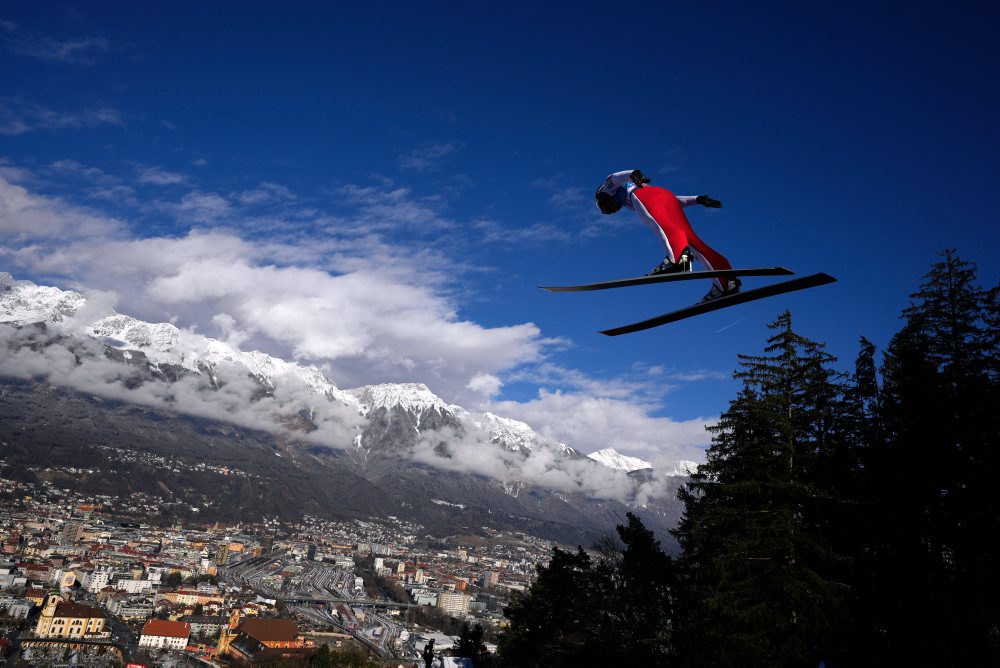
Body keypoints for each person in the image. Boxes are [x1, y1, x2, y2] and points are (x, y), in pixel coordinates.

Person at [595, 169, 740, 301]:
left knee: (660, 225)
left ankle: (678, 260)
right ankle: (726, 282)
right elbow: (670, 199)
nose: (609, 210)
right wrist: (698, 199)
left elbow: (613, 178)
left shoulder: (610, 188)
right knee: (694, 243)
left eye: (605, 206)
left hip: (644, 196)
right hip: (667, 196)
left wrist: (633, 173)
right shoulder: (637, 189)